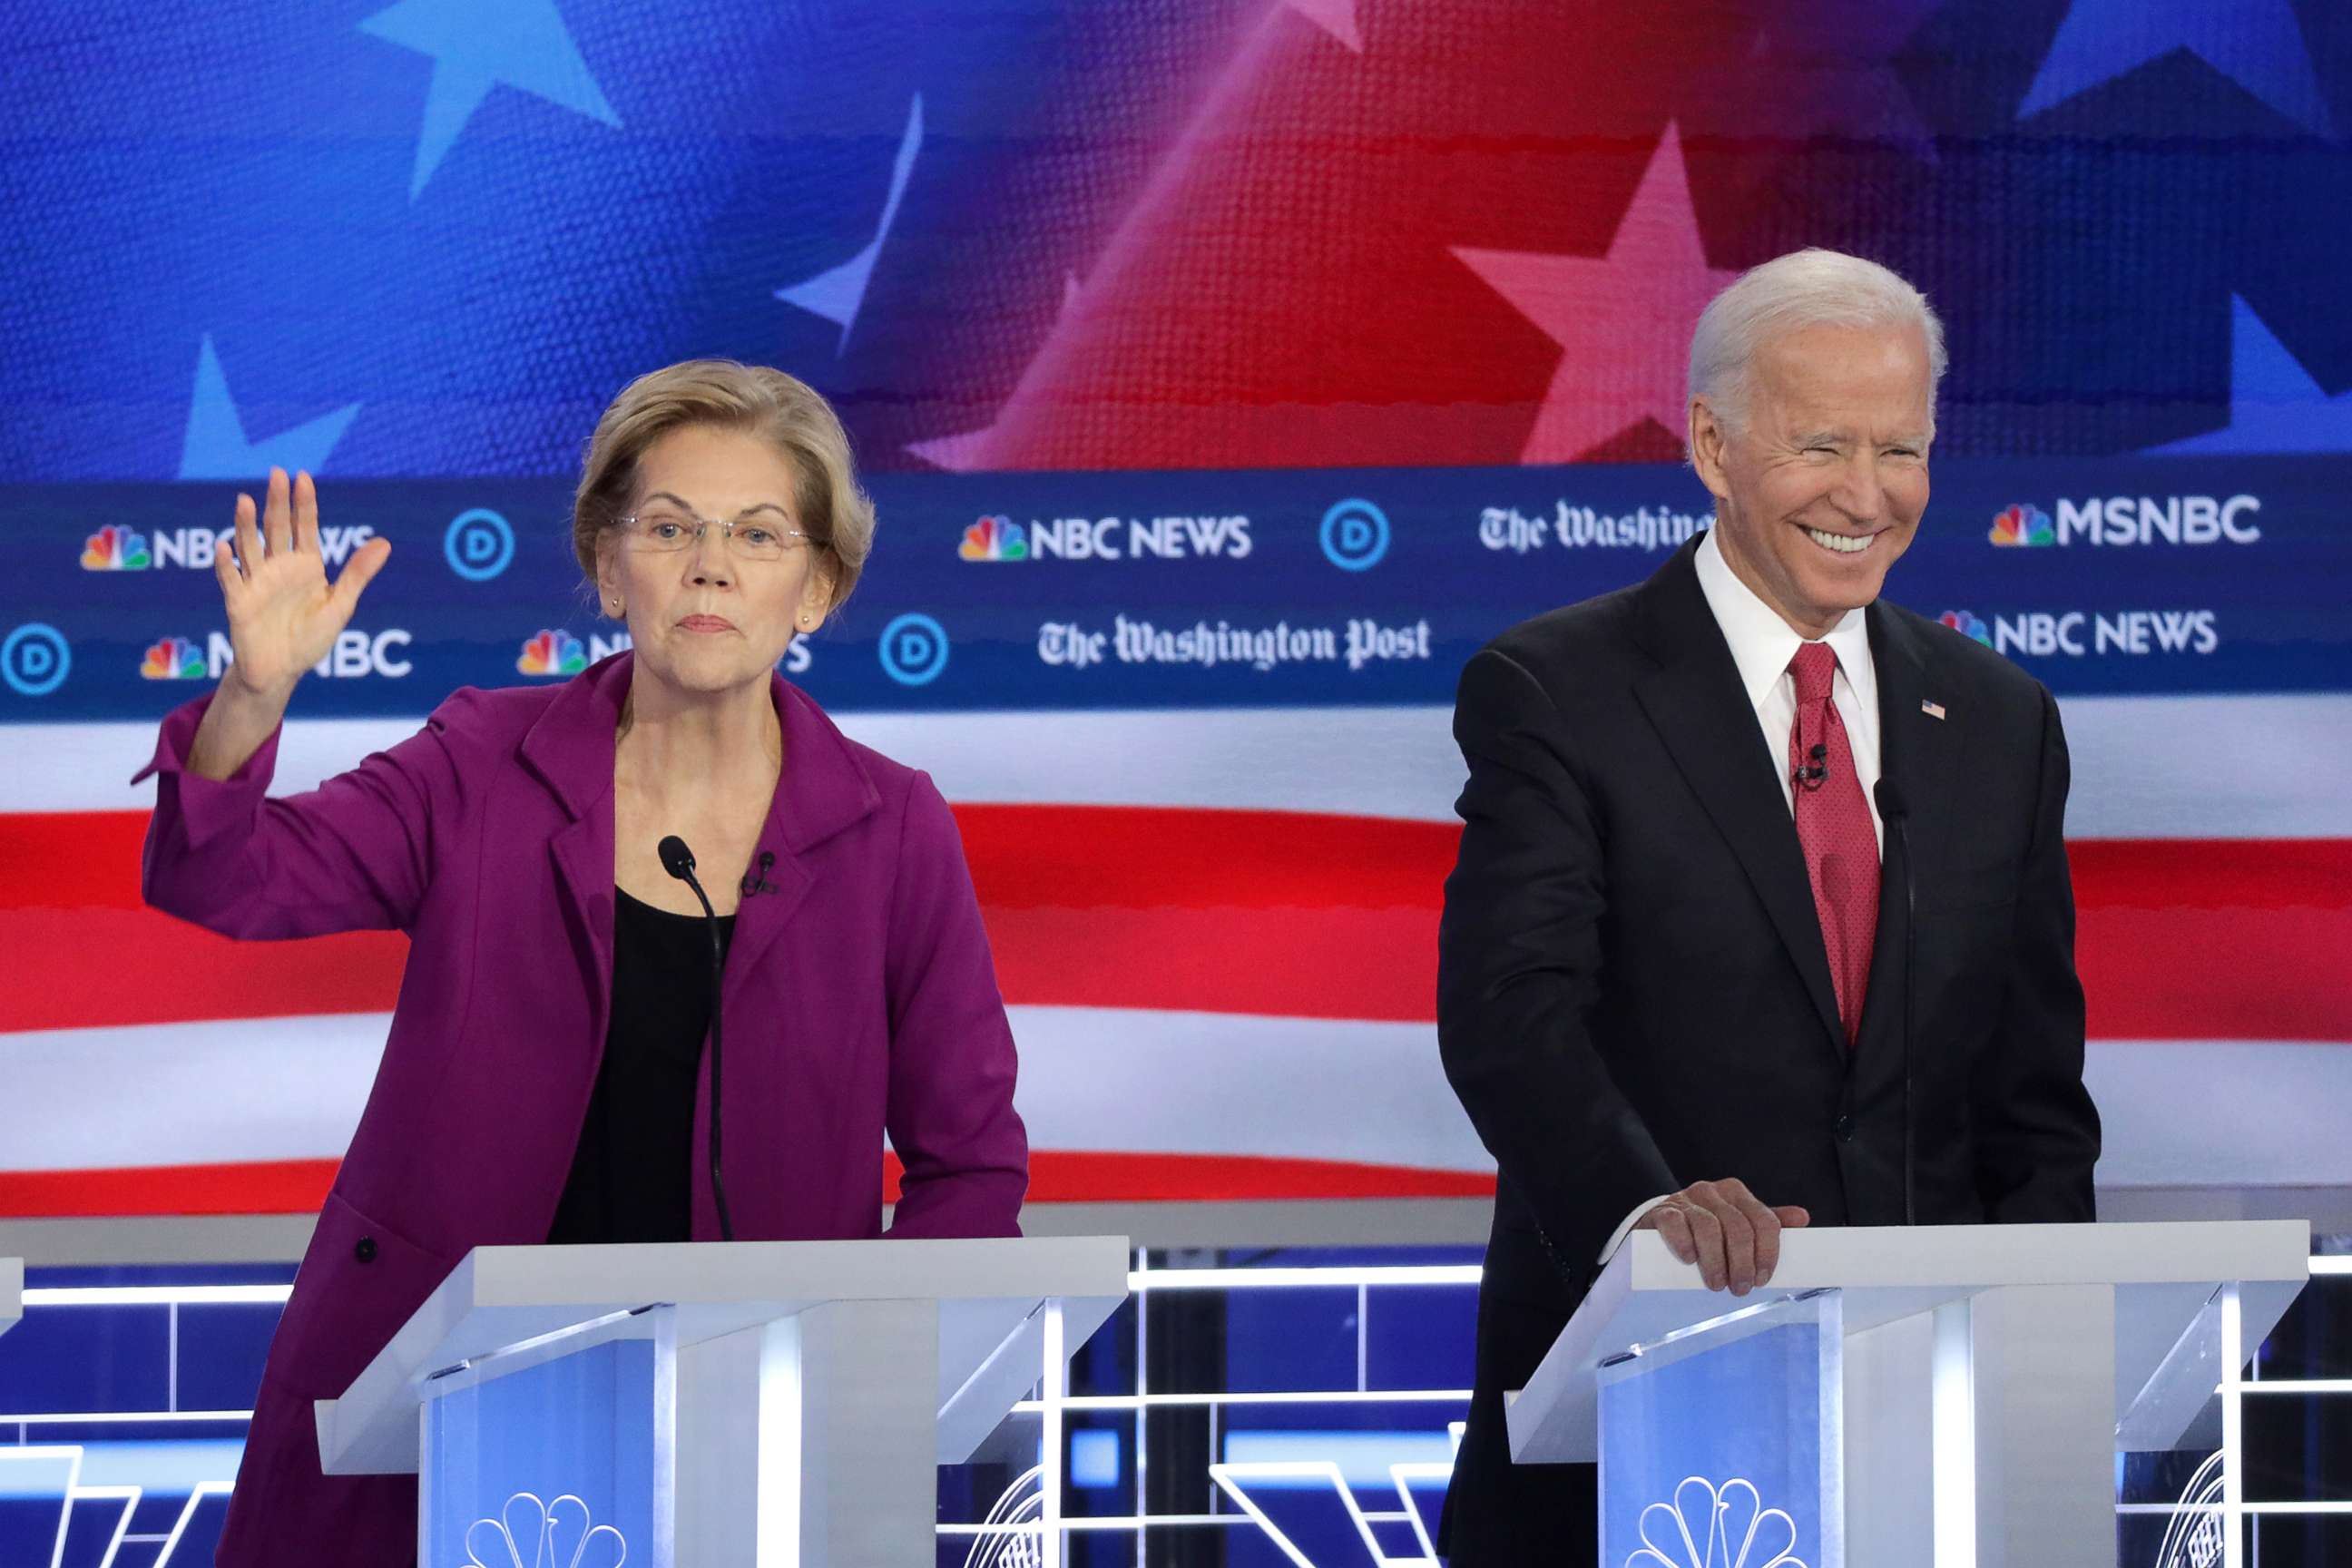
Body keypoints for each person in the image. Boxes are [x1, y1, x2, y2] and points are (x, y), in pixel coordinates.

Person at [133, 360, 1028, 1564]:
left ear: (818, 589)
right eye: (669, 527)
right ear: (609, 567)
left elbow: (970, 1170)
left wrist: (856, 1386)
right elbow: (226, 877)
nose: (711, 563)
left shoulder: (893, 826)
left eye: (759, 535)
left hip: (746, 1443)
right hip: (434, 1423)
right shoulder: (481, 761)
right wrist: (253, 691)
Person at [1434, 249, 2101, 1564]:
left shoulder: (1999, 722)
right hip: (1636, 1426)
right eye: (1821, 447)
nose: (1867, 496)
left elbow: (2030, 1097)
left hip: (1924, 1431)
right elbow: (1513, 1017)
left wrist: (2049, 1355)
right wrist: (1651, 1222)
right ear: (1713, 444)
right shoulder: (1559, 689)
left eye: (1900, 450)